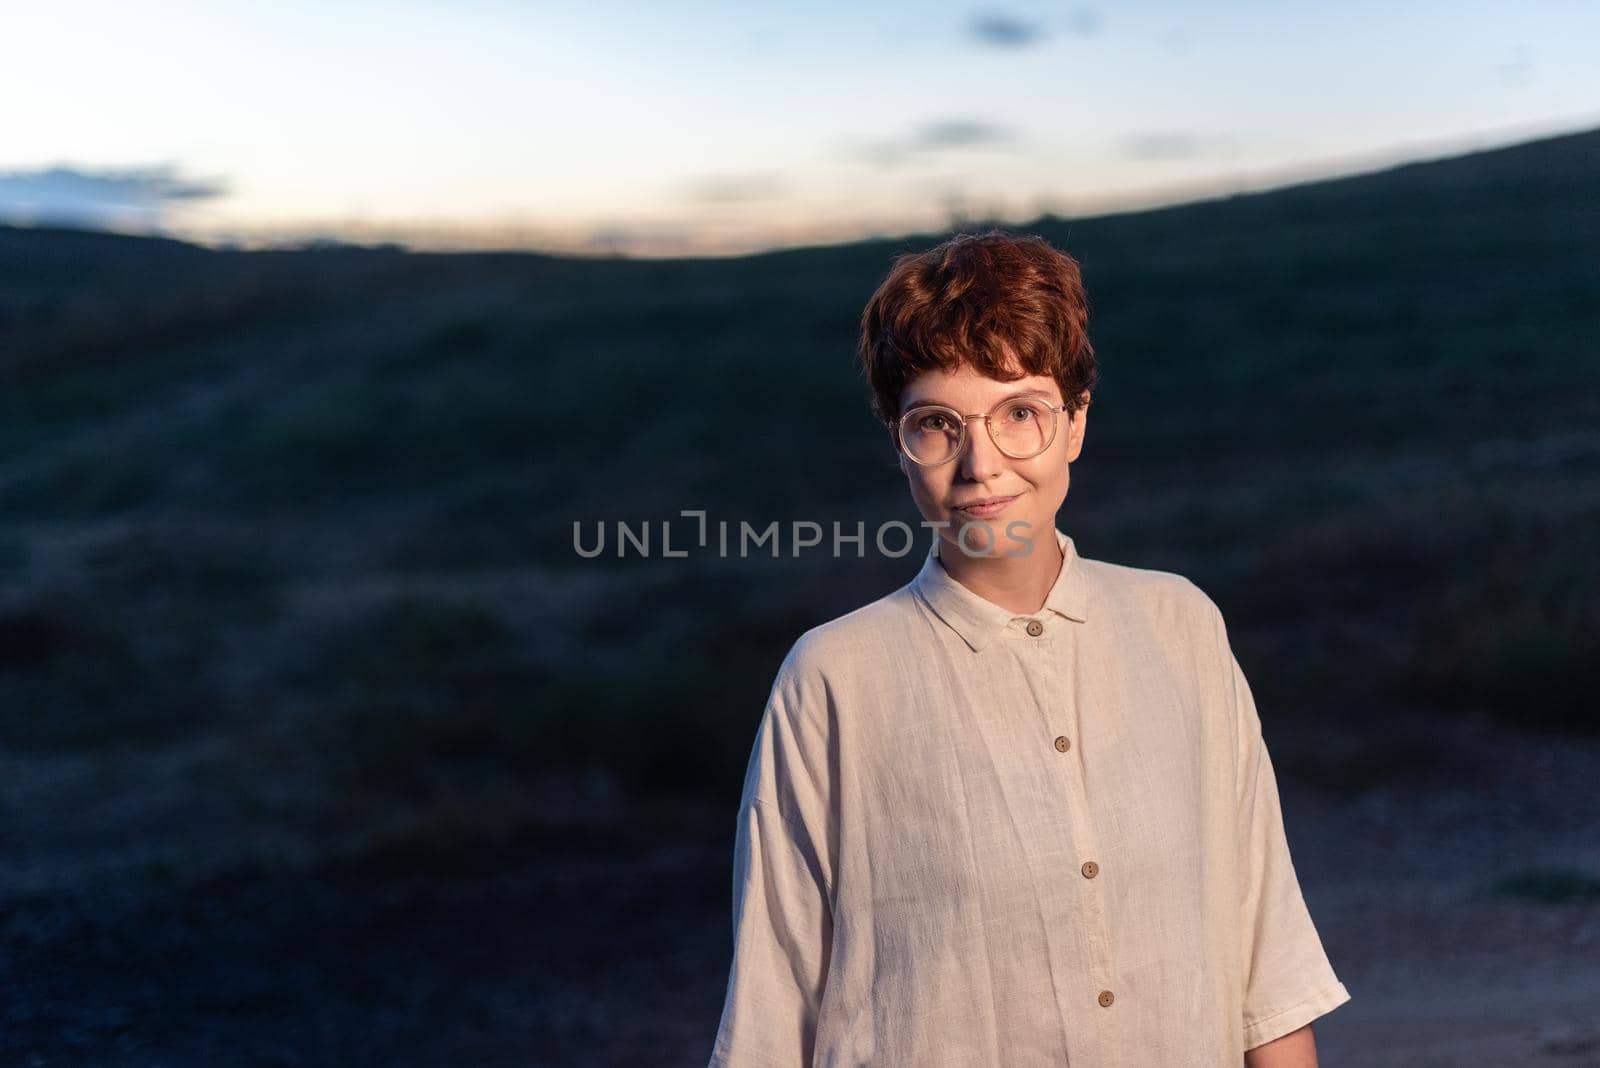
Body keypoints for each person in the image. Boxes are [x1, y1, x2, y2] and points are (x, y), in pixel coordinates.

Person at [706, 230, 1350, 1066]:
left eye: (1021, 413)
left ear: (1076, 423)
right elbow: (771, 1013)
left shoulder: (1180, 626)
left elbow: (1267, 970)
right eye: (936, 424)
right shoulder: (834, 679)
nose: (981, 464)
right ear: (898, 444)